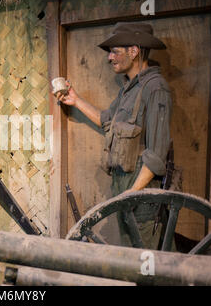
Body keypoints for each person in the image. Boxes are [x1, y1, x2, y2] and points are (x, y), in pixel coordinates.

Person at [55, 22, 172, 249]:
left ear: (134, 51)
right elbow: (106, 119)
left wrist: (132, 194)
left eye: (115, 51)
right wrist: (75, 100)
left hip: (142, 196)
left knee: (143, 262)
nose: (109, 58)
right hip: (125, 191)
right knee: (129, 259)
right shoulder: (129, 90)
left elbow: (157, 154)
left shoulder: (155, 88)